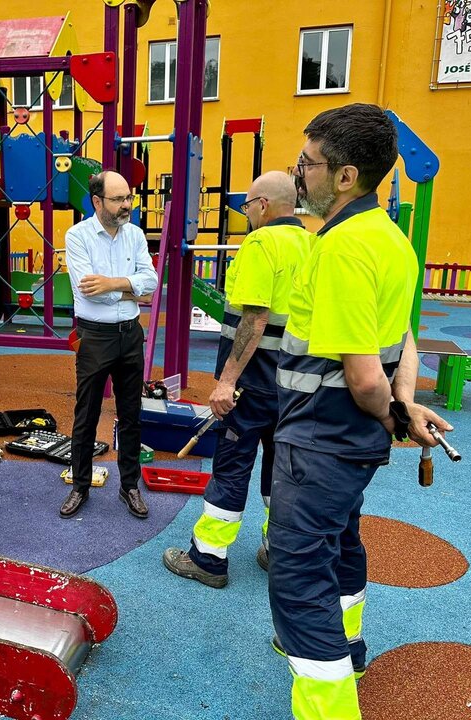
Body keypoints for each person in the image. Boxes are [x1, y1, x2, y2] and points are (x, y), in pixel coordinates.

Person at [268, 103, 453, 720]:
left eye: (308, 164)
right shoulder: (392, 240)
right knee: (340, 541)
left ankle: (329, 704)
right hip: (348, 446)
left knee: (298, 576)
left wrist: (389, 411)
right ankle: (348, 646)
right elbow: (400, 341)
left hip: (320, 434)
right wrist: (403, 410)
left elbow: (363, 374)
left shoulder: (344, 247)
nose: (300, 175)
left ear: (346, 176)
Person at [162, 171, 310, 588]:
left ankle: (208, 558)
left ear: (262, 204)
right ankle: (276, 549)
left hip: (253, 382)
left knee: (231, 468)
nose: (246, 214)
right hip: (297, 384)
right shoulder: (314, 245)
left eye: (246, 206)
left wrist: (226, 382)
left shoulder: (262, 244)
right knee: (281, 472)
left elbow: (254, 317)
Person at [60, 170, 158, 519]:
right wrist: (132, 290)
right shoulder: (78, 236)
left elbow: (152, 281)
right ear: (97, 201)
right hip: (95, 336)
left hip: (130, 334)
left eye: (129, 198)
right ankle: (80, 486)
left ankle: (129, 485)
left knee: (131, 414)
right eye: (118, 199)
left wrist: (115, 284)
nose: (126, 205)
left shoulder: (135, 235)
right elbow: (90, 291)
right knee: (85, 415)